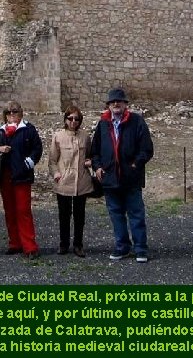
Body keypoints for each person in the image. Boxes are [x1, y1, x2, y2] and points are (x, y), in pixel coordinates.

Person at [91, 88, 154, 263]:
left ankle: (140, 248)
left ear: (126, 104)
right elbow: (95, 151)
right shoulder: (103, 124)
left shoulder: (136, 121)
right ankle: (122, 246)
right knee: (116, 214)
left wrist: (135, 164)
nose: (116, 104)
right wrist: (97, 167)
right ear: (109, 106)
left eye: (119, 101)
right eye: (113, 102)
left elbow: (147, 149)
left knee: (136, 214)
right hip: (110, 178)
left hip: (130, 178)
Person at [0, 101, 43, 260]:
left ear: (21, 113)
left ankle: (30, 246)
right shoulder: (0, 131)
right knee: (10, 210)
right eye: (8, 112)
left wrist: (28, 163)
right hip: (5, 176)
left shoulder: (29, 130)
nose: (11, 114)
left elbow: (37, 149)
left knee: (23, 210)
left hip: (22, 175)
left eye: (14, 111)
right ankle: (15, 243)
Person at [48, 105, 94, 257]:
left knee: (80, 215)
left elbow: (90, 154)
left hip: (81, 181)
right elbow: (52, 160)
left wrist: (90, 161)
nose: (73, 121)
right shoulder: (58, 136)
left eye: (77, 119)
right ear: (65, 119)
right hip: (64, 181)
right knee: (64, 215)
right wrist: (56, 174)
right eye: (70, 118)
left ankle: (78, 245)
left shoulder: (85, 137)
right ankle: (64, 244)